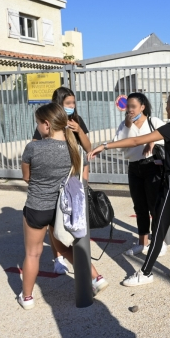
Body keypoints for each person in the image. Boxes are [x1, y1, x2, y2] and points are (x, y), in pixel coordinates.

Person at [89, 89, 170, 286]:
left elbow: (135, 140)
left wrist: (105, 146)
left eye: (168, 104)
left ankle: (146, 272)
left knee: (159, 226)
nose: (166, 108)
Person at [18, 103, 108, 310]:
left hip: (37, 207)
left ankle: (27, 297)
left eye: (38, 123)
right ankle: (96, 277)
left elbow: (26, 177)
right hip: (64, 208)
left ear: (47, 124)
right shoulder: (75, 149)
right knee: (63, 246)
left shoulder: (33, 147)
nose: (38, 127)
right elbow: (80, 178)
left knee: (33, 253)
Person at [32, 86, 91, 275]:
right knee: (55, 219)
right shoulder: (48, 123)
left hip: (76, 175)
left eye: (73, 103)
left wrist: (79, 130)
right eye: (67, 103)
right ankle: (58, 258)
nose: (72, 106)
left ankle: (78, 253)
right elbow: (36, 146)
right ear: (59, 104)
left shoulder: (77, 120)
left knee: (74, 215)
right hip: (56, 178)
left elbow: (88, 148)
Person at [113, 92, 167, 256]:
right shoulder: (124, 125)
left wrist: (152, 140)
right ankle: (142, 242)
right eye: (128, 106)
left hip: (152, 166)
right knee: (139, 207)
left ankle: (159, 241)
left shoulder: (154, 121)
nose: (129, 109)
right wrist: (128, 126)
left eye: (133, 106)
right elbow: (120, 146)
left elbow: (167, 136)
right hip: (134, 168)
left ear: (142, 107)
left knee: (154, 206)